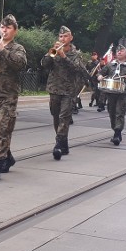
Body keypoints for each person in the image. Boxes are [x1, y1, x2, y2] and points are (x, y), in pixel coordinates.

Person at [0, 15, 27, 182]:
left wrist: (3, 49)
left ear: (14, 31)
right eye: (2, 27)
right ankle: (7, 157)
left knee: (2, 131)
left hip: (8, 96)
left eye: (8, 27)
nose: (4, 30)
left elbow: (19, 64)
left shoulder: (18, 48)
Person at [41, 25, 87, 160]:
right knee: (55, 116)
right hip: (54, 89)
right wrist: (51, 53)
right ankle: (63, 142)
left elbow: (78, 69)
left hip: (69, 90)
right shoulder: (54, 51)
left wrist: (64, 56)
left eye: (65, 36)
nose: (63, 38)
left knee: (64, 117)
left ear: (71, 38)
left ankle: (58, 144)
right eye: (60, 36)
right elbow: (44, 64)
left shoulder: (76, 54)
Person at [98, 40, 126, 145]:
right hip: (110, 92)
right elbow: (101, 73)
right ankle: (116, 130)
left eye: (122, 50)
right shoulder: (111, 64)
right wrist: (100, 76)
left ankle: (117, 133)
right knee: (111, 113)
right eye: (117, 51)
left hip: (122, 93)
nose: (119, 52)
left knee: (119, 113)